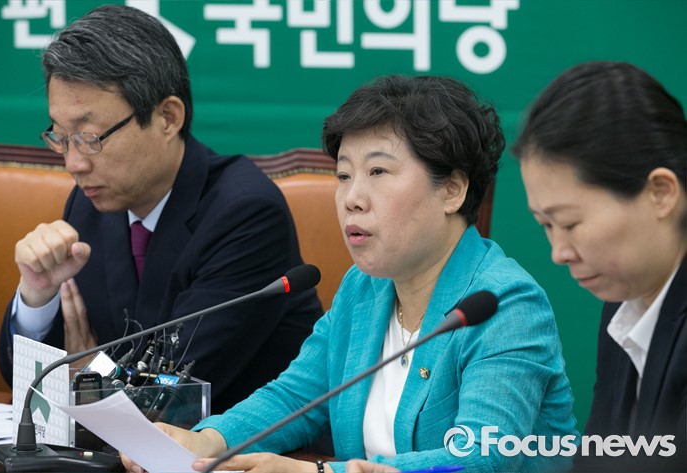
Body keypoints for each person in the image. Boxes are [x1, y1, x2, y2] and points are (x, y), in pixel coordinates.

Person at [123, 75, 577, 473]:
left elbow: (480, 458)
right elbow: (297, 398)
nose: (352, 199)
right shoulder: (364, 289)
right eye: (343, 176)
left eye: (378, 171)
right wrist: (208, 441)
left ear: (453, 190)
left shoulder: (505, 304)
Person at [0, 4, 324, 416]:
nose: (74, 164)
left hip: (243, 446)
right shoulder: (90, 202)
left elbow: (170, 391)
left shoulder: (246, 214)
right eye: (61, 137)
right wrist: (36, 296)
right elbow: (24, 380)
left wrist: (86, 372)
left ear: (168, 117)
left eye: (90, 137)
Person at [513, 61, 686, 472]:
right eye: (546, 225)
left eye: (570, 223)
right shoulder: (624, 304)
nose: (559, 252)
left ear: (660, 193)